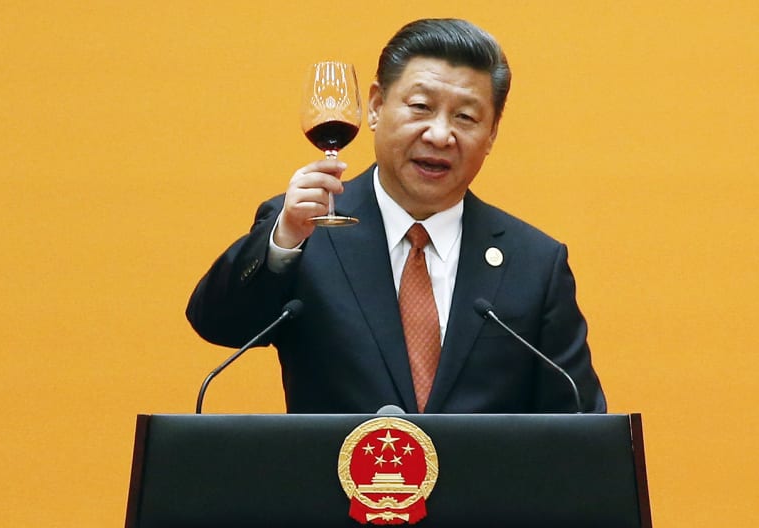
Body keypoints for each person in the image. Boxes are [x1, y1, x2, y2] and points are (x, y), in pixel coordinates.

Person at [186, 18, 606, 414]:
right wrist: (284, 242)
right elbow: (218, 324)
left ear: (492, 133)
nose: (440, 135)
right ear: (375, 106)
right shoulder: (303, 229)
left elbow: (580, 423)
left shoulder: (533, 263)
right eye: (421, 106)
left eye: (465, 116)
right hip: (334, 489)